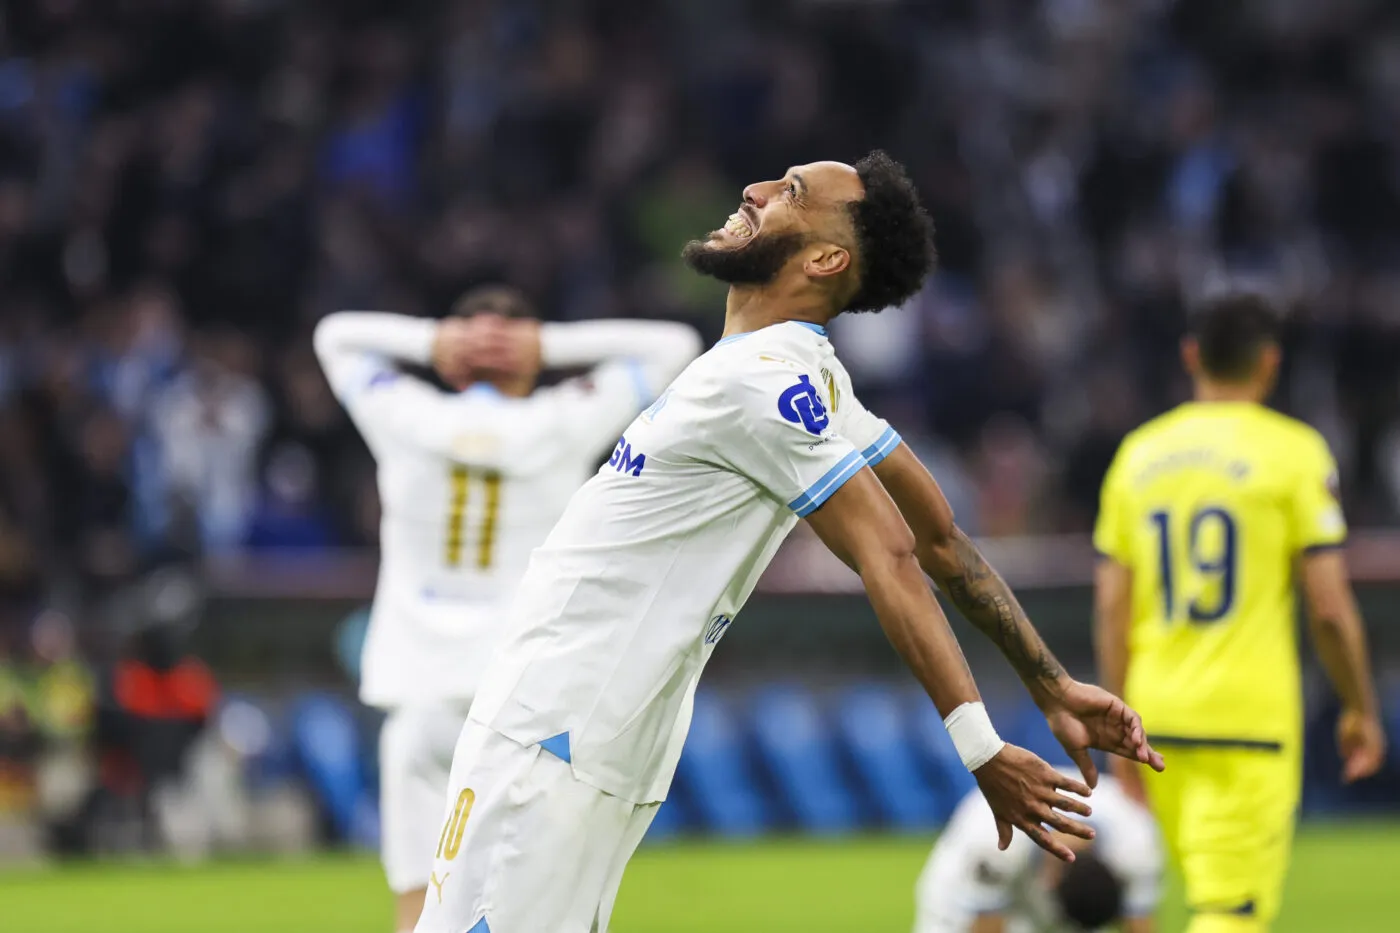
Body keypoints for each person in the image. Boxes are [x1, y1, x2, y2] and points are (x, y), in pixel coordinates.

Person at [413, 151, 1164, 933]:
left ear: (826, 259)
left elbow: (893, 551)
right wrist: (1050, 684)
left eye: (791, 192)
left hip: (549, 726)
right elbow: (942, 540)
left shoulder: (760, 382)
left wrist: (981, 746)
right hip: (602, 742)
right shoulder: (811, 378)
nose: (756, 190)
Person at [313, 285, 701, 933]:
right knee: (533, 901)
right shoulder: (563, 419)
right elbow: (674, 345)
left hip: (419, 693)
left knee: (418, 904)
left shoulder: (405, 416)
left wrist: (433, 340)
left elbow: (334, 335)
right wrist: (545, 345)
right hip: (524, 695)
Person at [1093, 292, 1386, 933]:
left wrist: (1116, 719)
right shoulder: (1295, 453)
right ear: (1270, 362)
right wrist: (1360, 708)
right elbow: (1329, 608)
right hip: (1247, 722)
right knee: (1232, 913)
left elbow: (1112, 604)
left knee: (1194, 903)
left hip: (1154, 716)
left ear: (1190, 355)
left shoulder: (1139, 455)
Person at [913, 769, 1162, 932]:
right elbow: (986, 924)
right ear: (1050, 882)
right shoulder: (995, 839)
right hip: (961, 892)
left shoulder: (1137, 844)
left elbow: (1138, 924)